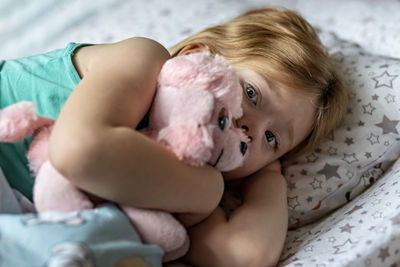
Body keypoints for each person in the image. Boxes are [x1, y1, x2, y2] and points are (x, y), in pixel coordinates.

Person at [0, 7, 347, 267]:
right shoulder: (143, 58)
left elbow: (243, 253)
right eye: (252, 93)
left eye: (272, 138)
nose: (250, 130)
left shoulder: (187, 178)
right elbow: (79, 151)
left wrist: (270, 180)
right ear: (197, 55)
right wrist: (206, 191)